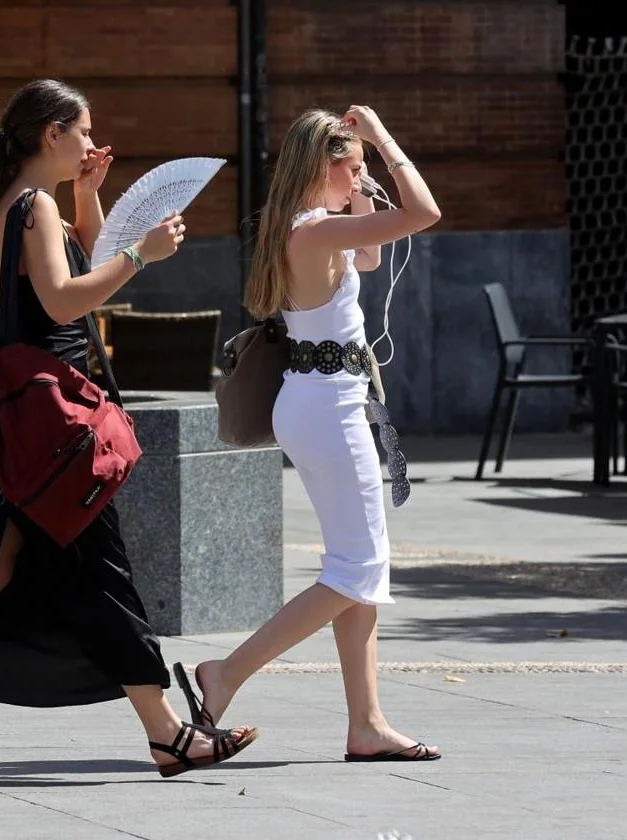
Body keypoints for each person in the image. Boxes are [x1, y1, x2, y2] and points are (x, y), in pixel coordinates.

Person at [0, 78, 257, 780]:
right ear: (50, 134)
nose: (91, 143)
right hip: (46, 428)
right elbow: (63, 301)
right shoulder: (29, 208)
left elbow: (84, 259)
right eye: (82, 132)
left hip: (18, 419)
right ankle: (167, 733)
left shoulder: (24, 204)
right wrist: (143, 254)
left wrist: (90, 195)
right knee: (93, 569)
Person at [174, 106, 443, 762]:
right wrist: (384, 136)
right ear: (320, 165)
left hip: (324, 399)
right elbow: (425, 213)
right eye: (350, 164)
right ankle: (225, 674)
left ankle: (367, 724)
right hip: (328, 407)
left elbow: (374, 256)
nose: (360, 173)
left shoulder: (305, 226)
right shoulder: (313, 230)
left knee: (358, 567)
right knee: (357, 568)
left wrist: (360, 190)